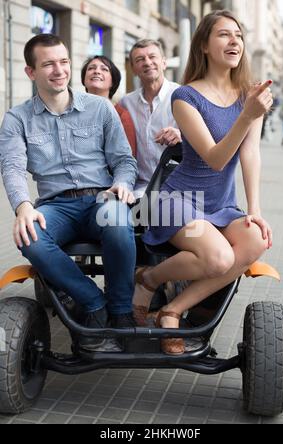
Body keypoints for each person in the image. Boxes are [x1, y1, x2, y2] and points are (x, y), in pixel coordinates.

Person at [132, 10, 273, 355]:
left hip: (221, 205)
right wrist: (247, 115)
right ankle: (149, 280)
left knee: (257, 240)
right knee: (219, 258)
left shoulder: (248, 96)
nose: (234, 41)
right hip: (178, 201)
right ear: (205, 46)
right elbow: (215, 157)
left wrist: (254, 210)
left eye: (238, 35)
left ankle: (172, 308)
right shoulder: (185, 97)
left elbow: (249, 154)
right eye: (224, 35)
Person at [0, 34, 138, 350]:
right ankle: (93, 302)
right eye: (48, 64)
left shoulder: (101, 108)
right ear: (31, 72)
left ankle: (121, 311)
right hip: (55, 206)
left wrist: (123, 183)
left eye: (63, 62)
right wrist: (23, 206)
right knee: (29, 236)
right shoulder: (17, 119)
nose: (59, 70)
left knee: (118, 222)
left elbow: (124, 160)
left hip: (101, 198)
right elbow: (12, 167)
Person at [119, 39, 182, 198]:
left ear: (164, 62)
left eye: (152, 57)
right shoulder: (125, 104)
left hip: (178, 186)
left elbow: (206, 139)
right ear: (133, 69)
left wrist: (182, 135)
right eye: (140, 60)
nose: (147, 63)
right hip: (139, 189)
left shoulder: (183, 96)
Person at [81, 55, 137, 156]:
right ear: (84, 79)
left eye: (104, 69)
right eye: (91, 68)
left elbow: (128, 159)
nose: (97, 71)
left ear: (113, 81)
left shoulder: (121, 115)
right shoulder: (72, 110)